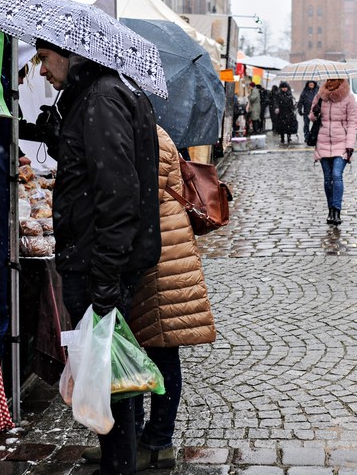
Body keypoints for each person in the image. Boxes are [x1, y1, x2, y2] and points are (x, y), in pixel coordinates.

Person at [34, 37, 162, 475]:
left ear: (70, 54)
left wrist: (106, 278)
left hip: (97, 264)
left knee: (110, 381)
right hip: (97, 259)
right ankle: (117, 461)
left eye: (45, 58)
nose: (42, 70)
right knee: (108, 378)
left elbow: (118, 196)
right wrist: (59, 134)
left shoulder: (102, 98)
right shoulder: (99, 95)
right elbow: (95, 174)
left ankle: (118, 465)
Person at [82, 125, 217, 471]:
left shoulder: (150, 136)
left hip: (162, 259)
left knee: (161, 350)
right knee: (140, 349)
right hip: (155, 253)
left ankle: (157, 443)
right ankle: (133, 437)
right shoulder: (141, 130)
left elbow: (140, 200)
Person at [309, 78, 357, 225]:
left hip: (341, 143)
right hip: (323, 142)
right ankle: (330, 209)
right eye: (328, 79)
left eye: (333, 79)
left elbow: (353, 122)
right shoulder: (320, 96)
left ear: (340, 80)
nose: (330, 82)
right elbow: (312, 117)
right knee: (327, 179)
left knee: (336, 175)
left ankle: (336, 210)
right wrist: (315, 112)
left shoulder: (348, 97)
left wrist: (350, 144)